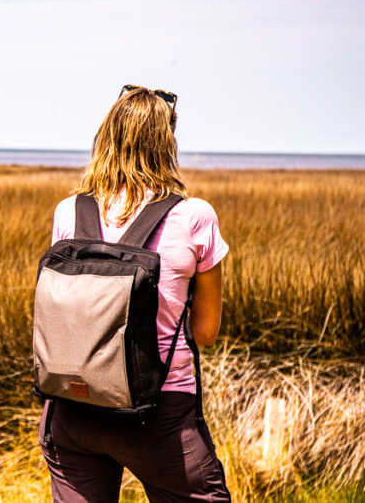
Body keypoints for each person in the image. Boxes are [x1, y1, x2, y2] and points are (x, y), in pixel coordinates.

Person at [38, 85, 232, 502]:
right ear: (168, 143)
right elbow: (206, 333)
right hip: (159, 416)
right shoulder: (195, 216)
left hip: (71, 410)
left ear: (105, 138)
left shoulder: (68, 210)